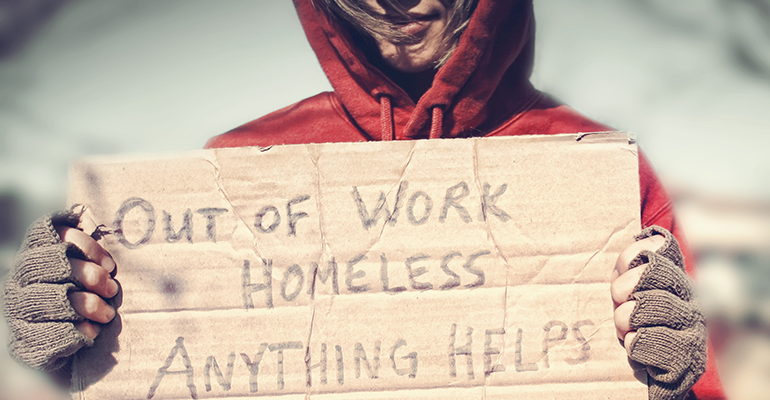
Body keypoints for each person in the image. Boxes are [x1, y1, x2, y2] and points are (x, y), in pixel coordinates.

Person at [4, 0, 725, 399]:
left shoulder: (601, 175)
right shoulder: (229, 173)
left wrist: (671, 390)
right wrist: (76, 327)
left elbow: (698, 386)